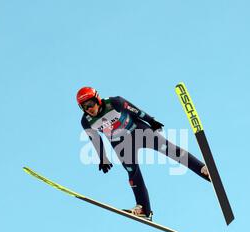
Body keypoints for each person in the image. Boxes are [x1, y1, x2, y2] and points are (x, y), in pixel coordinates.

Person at [78, 86, 210, 221]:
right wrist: (103, 158)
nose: (89, 109)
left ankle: (203, 169)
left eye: (90, 104)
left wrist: (151, 121)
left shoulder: (114, 103)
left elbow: (136, 111)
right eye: (84, 107)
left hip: (138, 131)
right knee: (132, 171)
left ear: (97, 99)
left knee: (169, 149)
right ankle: (144, 210)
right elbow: (94, 139)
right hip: (120, 143)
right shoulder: (86, 121)